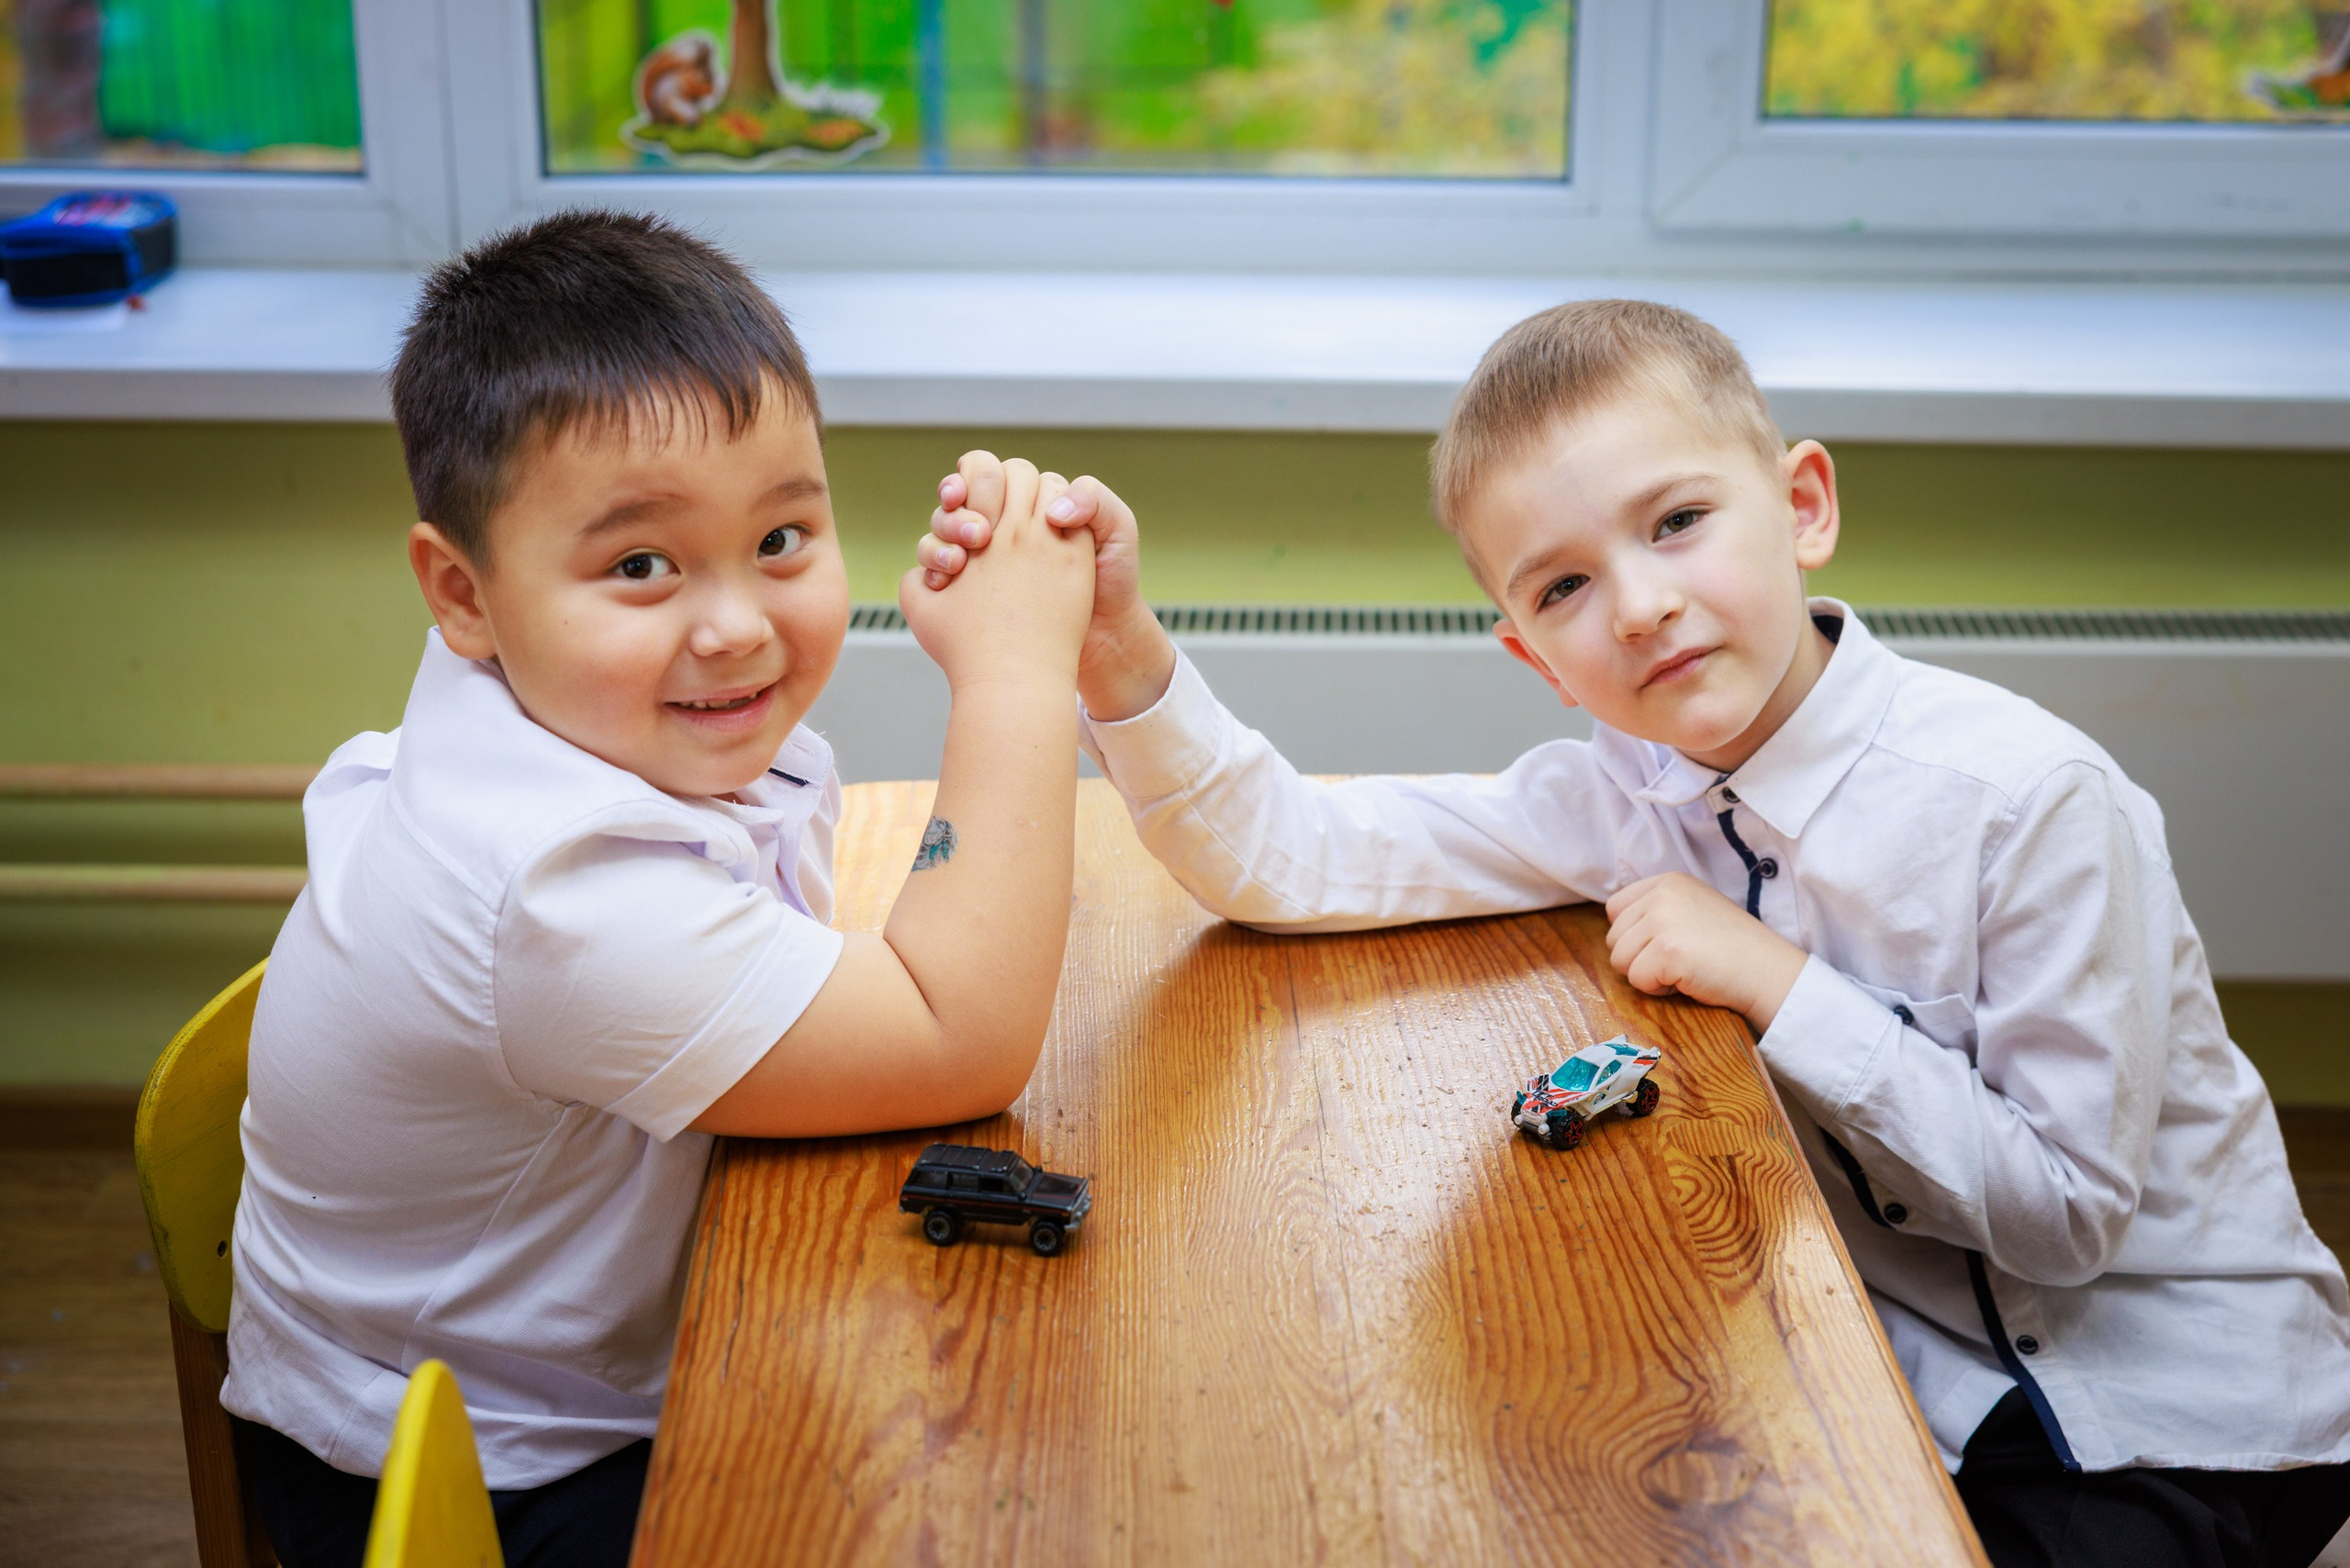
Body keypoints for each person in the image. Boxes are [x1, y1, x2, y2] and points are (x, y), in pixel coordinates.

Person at [918, 299, 2350, 1568]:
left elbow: (2068, 1218)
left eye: (1676, 524)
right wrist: (1121, 652)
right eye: (1564, 588)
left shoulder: (2028, 802)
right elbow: (1293, 856)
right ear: (1531, 656)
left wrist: (1777, 983)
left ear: (1801, 507)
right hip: (1908, 1363)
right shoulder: (1625, 789)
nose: (1644, 606)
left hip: (2176, 1411)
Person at [218, 210, 1094, 1567]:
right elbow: (959, 1033)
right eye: (640, 566)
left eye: (786, 537)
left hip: (511, 1353)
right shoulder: (556, 890)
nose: (737, 622)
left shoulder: (557, 713)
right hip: (483, 1466)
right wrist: (1021, 677)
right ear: (464, 592)